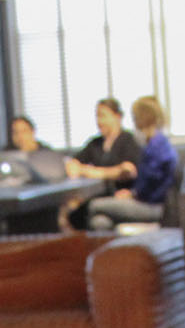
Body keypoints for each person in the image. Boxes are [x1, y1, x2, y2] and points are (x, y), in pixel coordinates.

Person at [86, 95, 177, 229]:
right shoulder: (159, 143)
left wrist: (132, 194)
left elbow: (148, 186)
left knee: (93, 206)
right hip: (147, 201)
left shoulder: (155, 147)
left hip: (152, 206)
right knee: (100, 222)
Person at [61, 97, 141, 229]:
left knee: (88, 211)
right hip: (99, 195)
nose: (99, 121)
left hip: (121, 197)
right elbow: (72, 164)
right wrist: (105, 172)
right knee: (81, 217)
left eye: (103, 116)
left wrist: (91, 172)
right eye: (97, 116)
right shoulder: (95, 143)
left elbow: (127, 171)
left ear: (117, 117)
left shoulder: (128, 140)